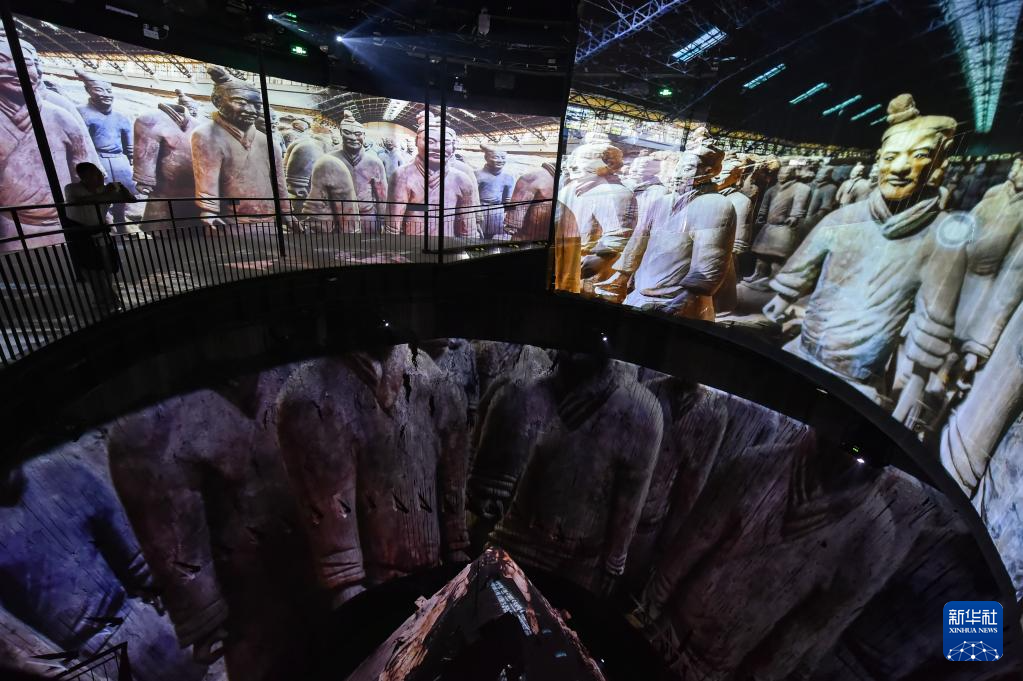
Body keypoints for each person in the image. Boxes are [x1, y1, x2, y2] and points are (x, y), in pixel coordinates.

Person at [763, 94, 965, 406]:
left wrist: (915, 387)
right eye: (891, 157)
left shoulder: (942, 237)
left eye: (919, 155)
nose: (900, 167)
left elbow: (932, 321)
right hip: (805, 348)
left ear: (939, 164)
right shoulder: (844, 218)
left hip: (857, 376)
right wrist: (781, 300)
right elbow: (799, 271)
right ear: (879, 160)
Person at [64, 162, 133, 313]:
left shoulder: (104, 189)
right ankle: (104, 300)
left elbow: (131, 199)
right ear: (84, 177)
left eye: (99, 173)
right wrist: (107, 194)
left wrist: (121, 188)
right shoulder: (72, 188)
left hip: (101, 235)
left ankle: (107, 299)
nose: (100, 177)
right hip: (83, 237)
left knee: (107, 269)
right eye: (95, 174)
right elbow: (76, 202)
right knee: (91, 270)